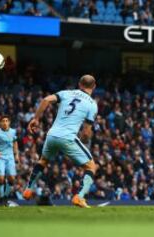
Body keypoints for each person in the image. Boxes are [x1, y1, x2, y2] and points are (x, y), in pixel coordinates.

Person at [23, 75, 98, 208]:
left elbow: (46, 100)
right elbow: (86, 132)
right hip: (68, 137)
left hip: (51, 135)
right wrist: (85, 139)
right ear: (94, 86)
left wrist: (36, 119)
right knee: (91, 166)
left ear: (79, 84)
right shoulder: (92, 104)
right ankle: (79, 197)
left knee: (43, 161)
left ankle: (28, 189)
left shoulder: (66, 93)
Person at [0, 115, 19, 206]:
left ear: (9, 122)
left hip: (10, 157)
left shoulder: (13, 132)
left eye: (7, 120)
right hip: (0, 157)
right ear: (0, 123)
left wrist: (16, 155)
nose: (5, 122)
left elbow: (15, 143)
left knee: (12, 178)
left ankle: (6, 197)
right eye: (3, 121)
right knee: (1, 178)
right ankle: (2, 198)